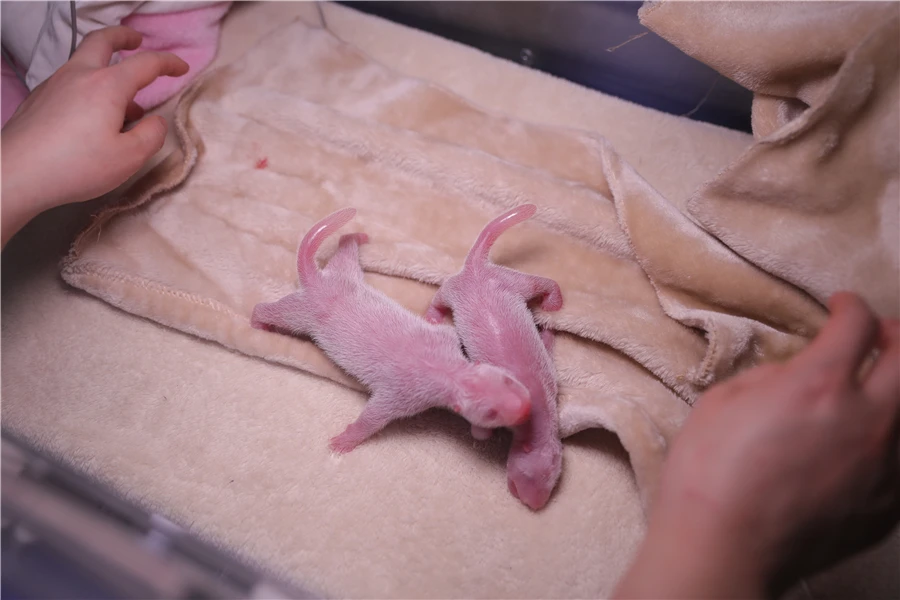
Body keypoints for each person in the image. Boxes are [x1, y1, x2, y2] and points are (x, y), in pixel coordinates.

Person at [2, 26, 899, 600]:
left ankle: (330, 286)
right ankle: (317, 292)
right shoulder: (457, 385)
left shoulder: (475, 382)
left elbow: (461, 368)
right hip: (381, 307)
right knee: (325, 302)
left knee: (346, 296)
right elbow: (415, 387)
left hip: (397, 305)